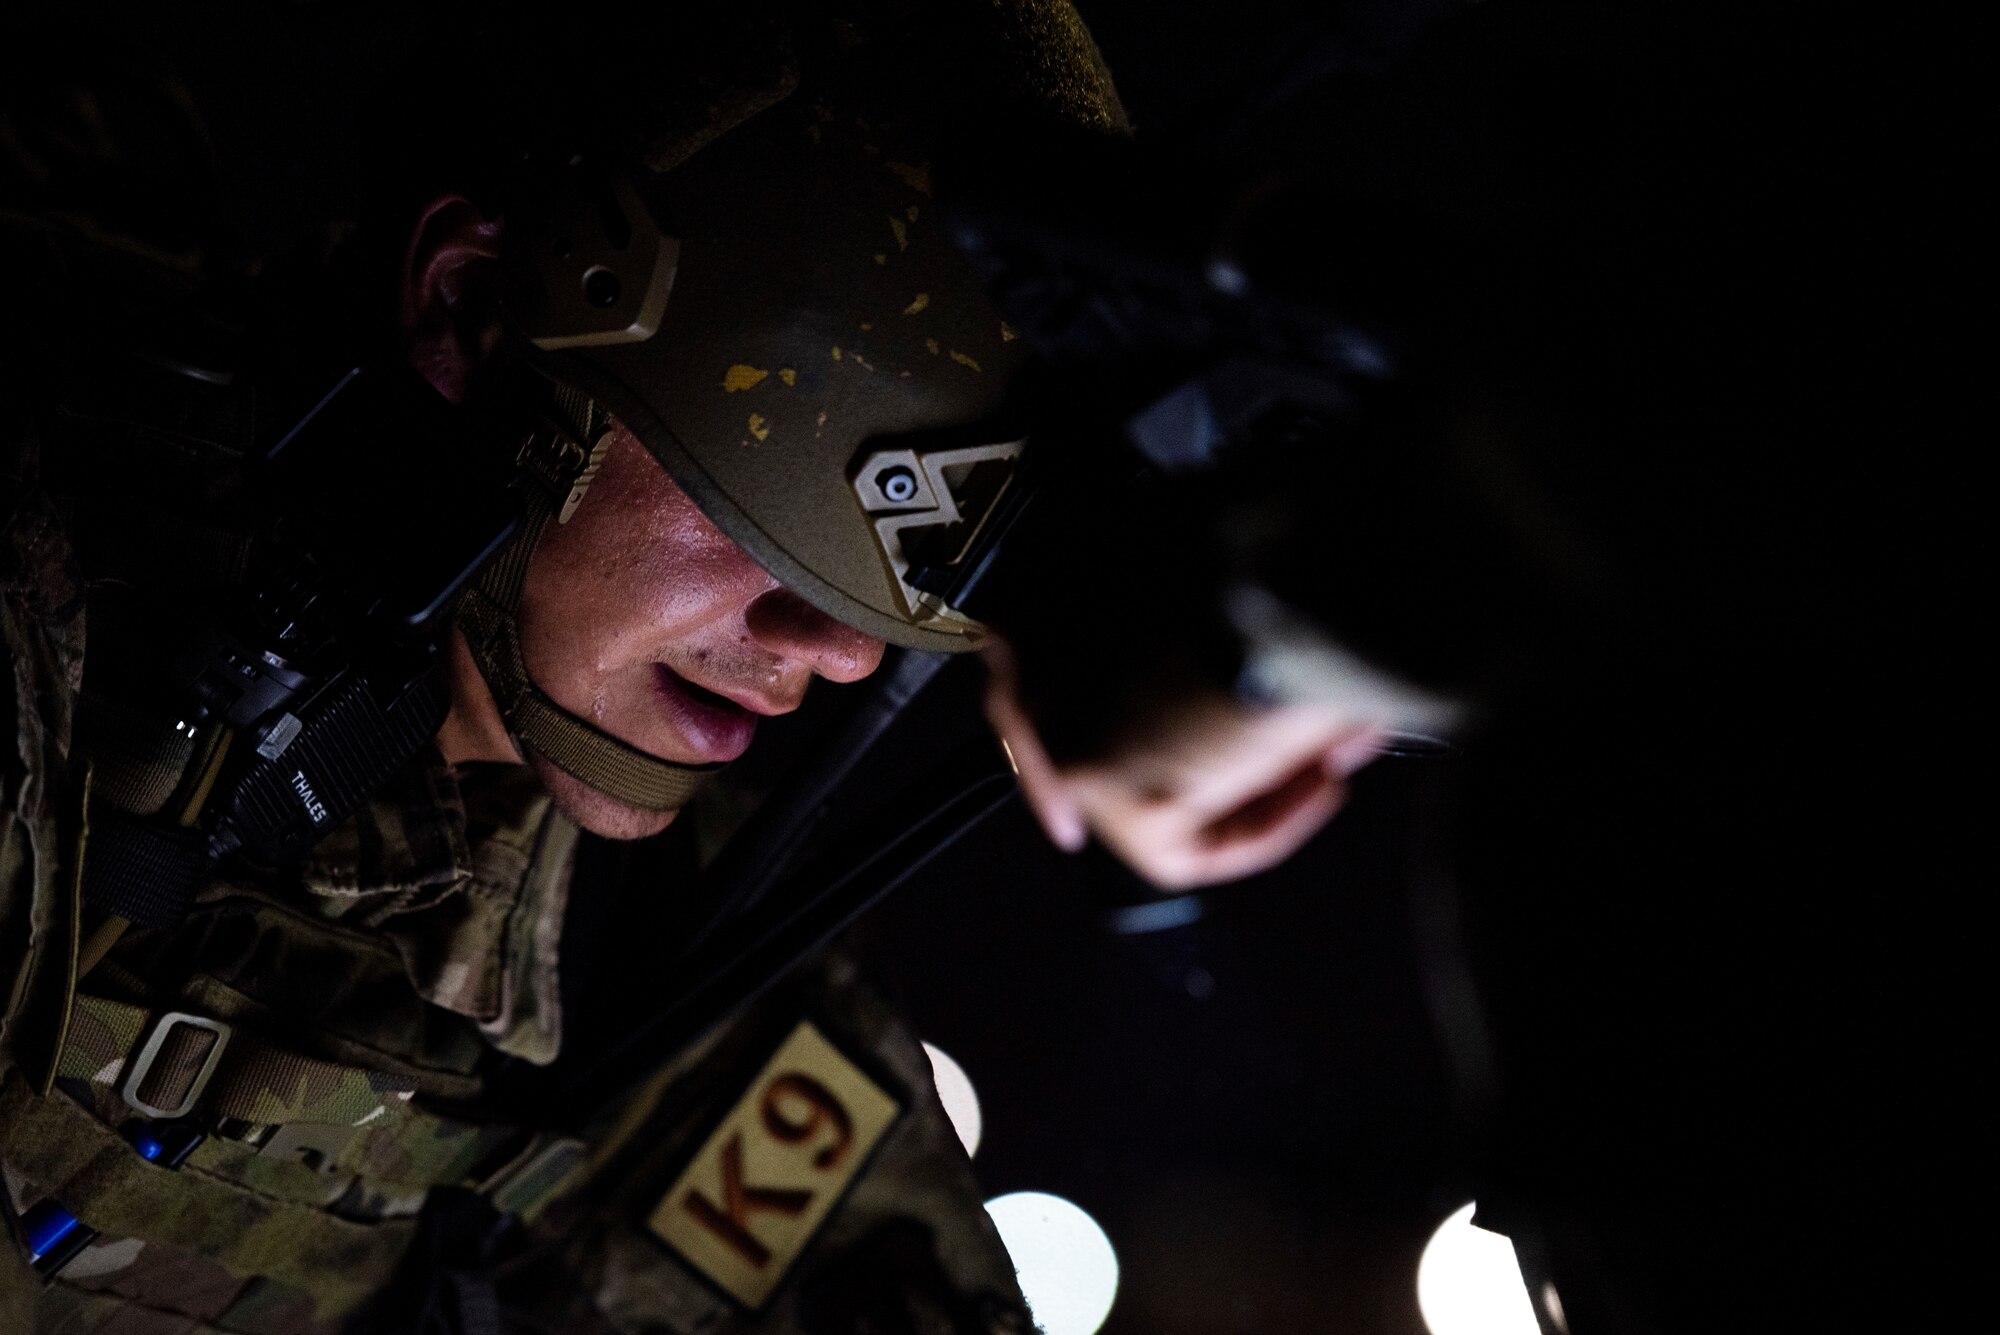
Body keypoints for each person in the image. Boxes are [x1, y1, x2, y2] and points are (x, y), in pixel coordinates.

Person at [0, 3, 1287, 1331]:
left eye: (902, 574)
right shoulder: (61, 608)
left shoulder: (653, 945)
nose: (835, 654)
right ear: (475, 310)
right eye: (769, 511)